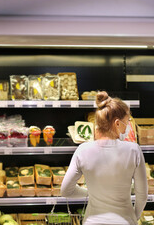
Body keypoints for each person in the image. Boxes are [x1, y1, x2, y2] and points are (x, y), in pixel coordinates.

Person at [61, 91, 148, 225]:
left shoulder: (83, 150)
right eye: (127, 123)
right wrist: (133, 217)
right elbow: (142, 194)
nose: (128, 128)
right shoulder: (134, 150)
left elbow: (66, 191)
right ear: (117, 123)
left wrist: (92, 193)